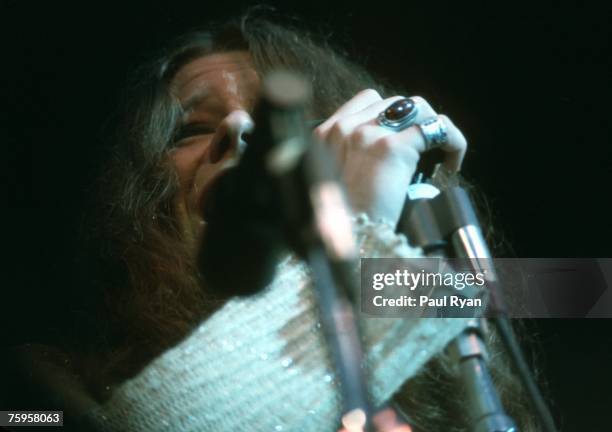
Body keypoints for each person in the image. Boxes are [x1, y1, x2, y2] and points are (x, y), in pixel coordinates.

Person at [3, 13, 539, 432]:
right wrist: (348, 231)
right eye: (188, 129)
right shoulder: (38, 394)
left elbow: (584, 289)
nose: (239, 128)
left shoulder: (433, 303)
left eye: (280, 120)